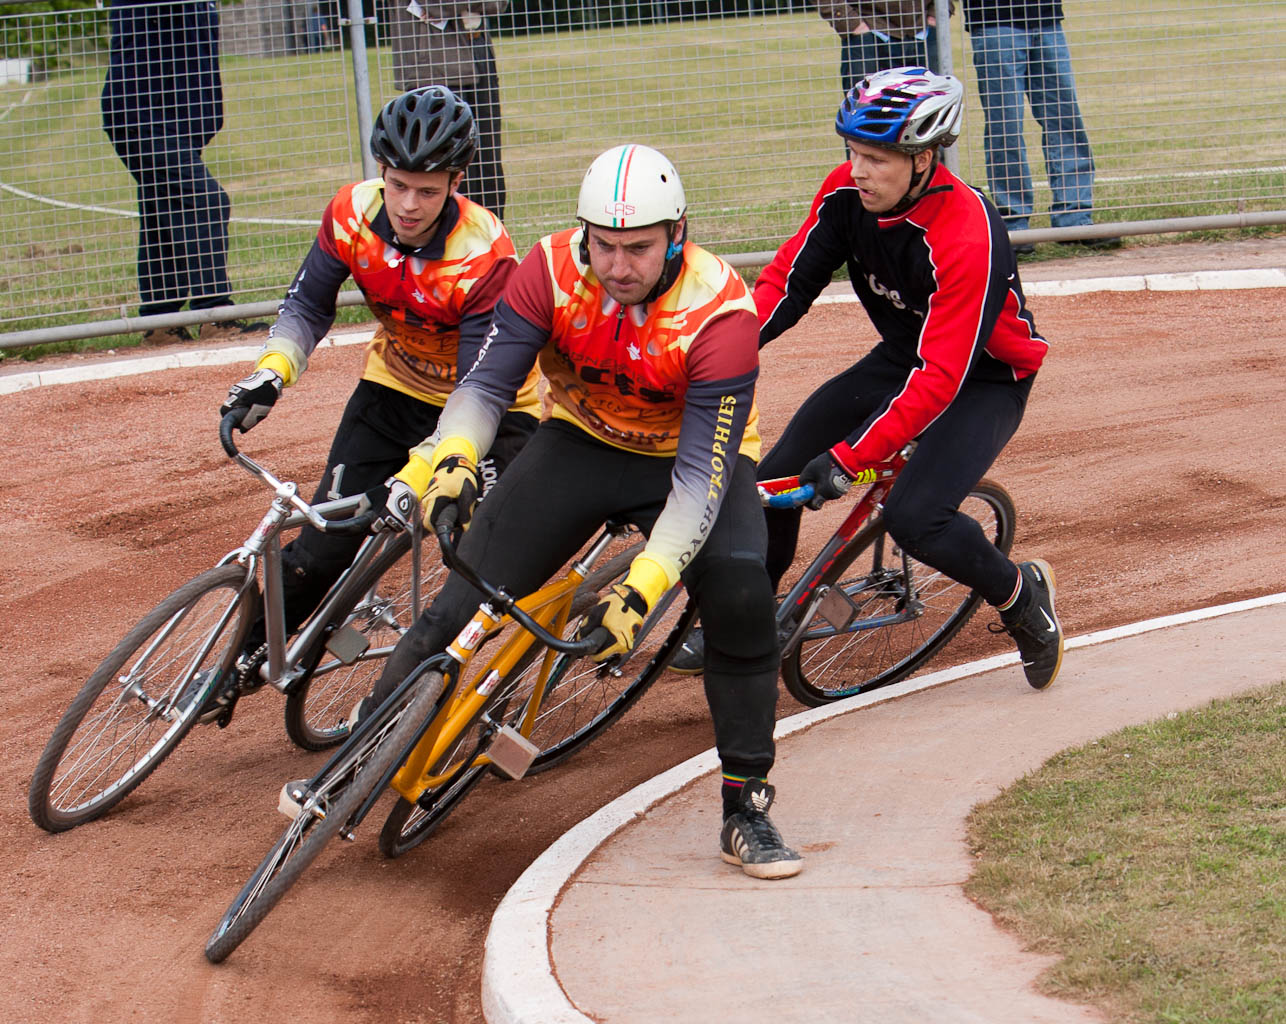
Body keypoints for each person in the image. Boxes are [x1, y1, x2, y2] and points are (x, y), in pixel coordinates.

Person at [356, 143, 803, 879]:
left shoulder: (719, 310)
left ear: (678, 235)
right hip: (583, 440)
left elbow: (699, 480)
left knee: (742, 593)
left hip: (687, 463)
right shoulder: (550, 269)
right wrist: (458, 458)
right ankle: (365, 751)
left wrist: (647, 584)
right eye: (605, 245)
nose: (619, 266)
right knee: (463, 591)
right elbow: (486, 385)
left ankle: (745, 807)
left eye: (639, 248)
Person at [671, 67, 1064, 693]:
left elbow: (943, 377)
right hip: (906, 354)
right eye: (852, 152)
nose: (858, 170)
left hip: (985, 377)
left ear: (924, 158)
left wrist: (853, 457)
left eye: (877, 158)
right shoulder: (845, 195)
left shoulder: (965, 231)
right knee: (772, 480)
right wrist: (717, 353)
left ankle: (1020, 596)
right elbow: (787, 283)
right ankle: (748, 622)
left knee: (917, 519)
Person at [216, 85, 540, 702]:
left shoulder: (483, 255)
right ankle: (237, 662)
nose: (408, 204)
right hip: (393, 389)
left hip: (489, 412)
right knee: (316, 549)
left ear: (456, 181)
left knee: (478, 559)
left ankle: (423, 697)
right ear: (380, 174)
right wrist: (271, 372)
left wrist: (422, 474)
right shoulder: (350, 214)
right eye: (396, 184)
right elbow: (308, 305)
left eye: (427, 188)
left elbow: (477, 391)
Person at [101, 0, 267, 346]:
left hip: (174, 117)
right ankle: (214, 314)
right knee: (207, 201)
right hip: (143, 115)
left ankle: (161, 323)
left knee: (162, 212)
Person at [961, 0, 1119, 255]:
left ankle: (1074, 220)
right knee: (1006, 126)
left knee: (1065, 120)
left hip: (1046, 19)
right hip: (995, 22)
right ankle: (1015, 224)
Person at [387, 2, 509, 219]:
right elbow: (434, 4)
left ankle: (491, 244)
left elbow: (498, 4)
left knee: (487, 166)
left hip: (477, 51)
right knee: (444, 168)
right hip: (434, 63)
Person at [818, 2, 949, 89]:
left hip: (923, 30)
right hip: (868, 33)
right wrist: (851, 22)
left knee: (931, 112)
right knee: (867, 113)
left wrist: (938, 12)